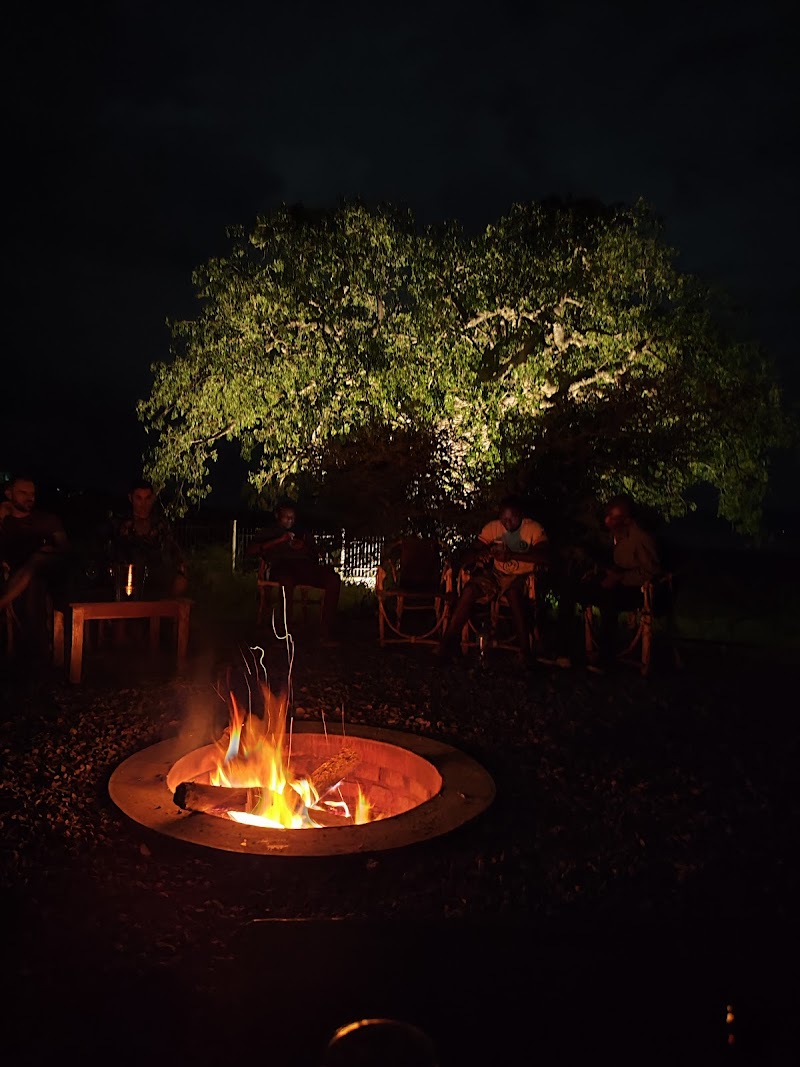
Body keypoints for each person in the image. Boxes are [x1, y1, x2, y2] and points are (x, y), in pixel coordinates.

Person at [434, 494, 553, 666]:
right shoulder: (493, 528)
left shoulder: (533, 529)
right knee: (470, 590)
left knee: (514, 593)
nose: (507, 523)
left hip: (521, 576)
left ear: (520, 515)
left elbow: (545, 557)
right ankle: (447, 643)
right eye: (504, 519)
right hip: (496, 574)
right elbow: (468, 554)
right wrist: (480, 554)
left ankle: (525, 651)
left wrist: (511, 555)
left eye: (512, 519)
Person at [565, 493, 662, 671]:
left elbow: (651, 571)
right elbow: (616, 562)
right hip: (617, 584)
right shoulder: (615, 535)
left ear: (626, 520)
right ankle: (567, 650)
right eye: (607, 515)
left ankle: (606, 658)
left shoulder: (639, 537)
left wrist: (620, 577)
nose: (608, 520)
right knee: (571, 589)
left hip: (635, 591)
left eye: (613, 516)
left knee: (607, 600)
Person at [246, 501, 341, 645]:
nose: (290, 520)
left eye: (292, 517)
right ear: (278, 516)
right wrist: (279, 541)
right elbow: (251, 550)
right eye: (286, 517)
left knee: (333, 579)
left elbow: (315, 554)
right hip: (282, 566)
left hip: (304, 566)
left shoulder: (302, 532)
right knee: (286, 581)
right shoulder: (270, 532)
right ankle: (285, 629)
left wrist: (304, 547)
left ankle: (326, 632)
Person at [0, 473, 68, 666]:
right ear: (8, 494)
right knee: (33, 584)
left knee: (38, 559)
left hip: (51, 569)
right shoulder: (5, 521)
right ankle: (37, 655)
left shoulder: (47, 519)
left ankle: (2, 603)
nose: (30, 497)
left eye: (32, 493)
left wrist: (50, 549)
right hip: (19, 575)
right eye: (23, 493)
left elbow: (64, 547)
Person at [108, 480, 188, 598]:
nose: (143, 504)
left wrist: (181, 573)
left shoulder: (160, 525)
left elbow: (175, 552)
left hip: (157, 580)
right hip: (128, 582)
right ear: (131, 498)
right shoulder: (121, 525)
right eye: (139, 498)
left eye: (147, 498)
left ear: (153, 499)